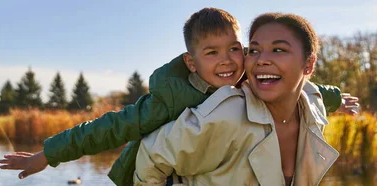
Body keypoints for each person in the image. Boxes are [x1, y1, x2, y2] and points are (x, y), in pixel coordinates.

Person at [0, 8, 357, 185]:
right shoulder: (172, 99)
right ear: (191, 61)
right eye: (211, 53)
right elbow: (111, 127)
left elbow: (309, 90)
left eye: (235, 49)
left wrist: (339, 98)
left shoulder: (258, 81)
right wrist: (49, 154)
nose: (228, 62)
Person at [134, 12, 339, 186]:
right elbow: (152, 157)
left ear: (309, 65)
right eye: (255, 50)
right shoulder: (228, 112)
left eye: (278, 50)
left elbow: (310, 90)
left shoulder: (313, 108)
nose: (262, 60)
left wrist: (338, 100)